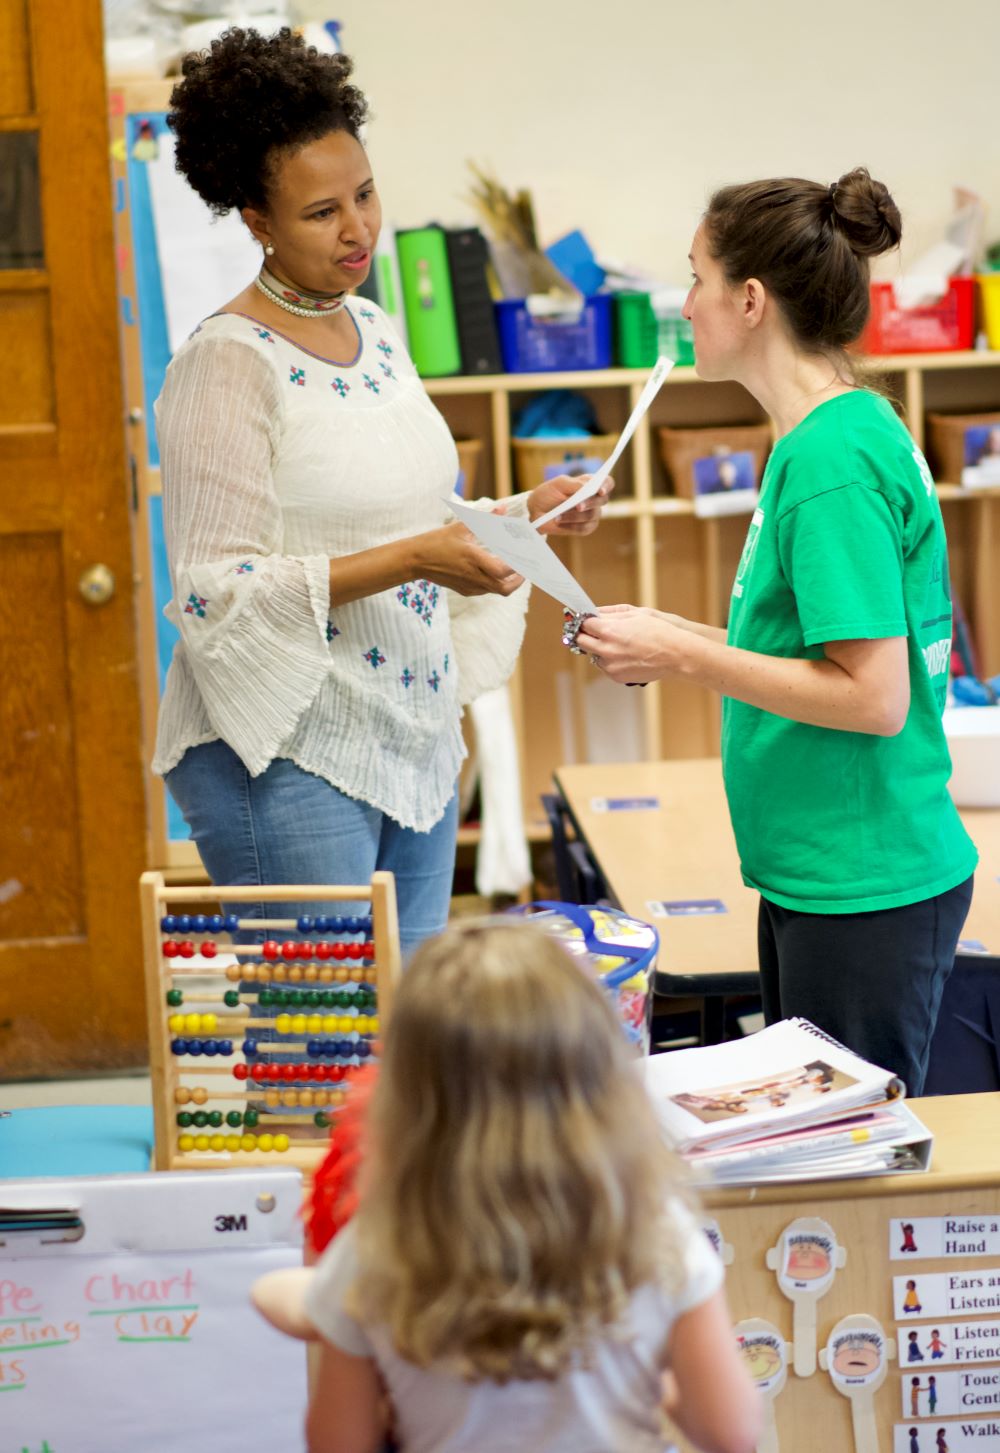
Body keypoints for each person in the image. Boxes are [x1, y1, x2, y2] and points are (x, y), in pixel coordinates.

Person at [153, 28, 611, 954]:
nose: (359, 228)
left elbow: (415, 513)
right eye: (322, 212)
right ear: (257, 219)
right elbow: (214, 589)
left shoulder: (376, 326)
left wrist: (531, 510)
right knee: (334, 1060)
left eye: (364, 194)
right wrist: (415, 560)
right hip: (285, 743)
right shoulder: (223, 365)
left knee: (412, 1041)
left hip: (411, 721)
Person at [575, 168, 977, 1094]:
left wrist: (679, 652)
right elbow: (803, 648)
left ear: (749, 300)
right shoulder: (833, 432)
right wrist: (660, 629)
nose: (684, 305)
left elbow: (875, 698)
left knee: (841, 1170)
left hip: (863, 879)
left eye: (695, 279)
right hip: (828, 868)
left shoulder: (830, 460)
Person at [252, 918, 761, 1453]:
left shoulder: (383, 1243)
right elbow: (731, 1432)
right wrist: (654, 1380)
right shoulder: (655, 1228)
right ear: (599, 1079)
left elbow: (336, 1443)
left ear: (405, 1096)